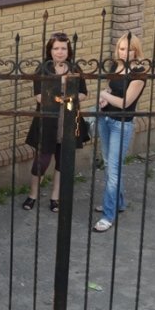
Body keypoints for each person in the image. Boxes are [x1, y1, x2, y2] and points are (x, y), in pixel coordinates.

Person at [22, 33, 89, 212]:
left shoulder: (74, 68)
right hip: (48, 122)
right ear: (50, 50)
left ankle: (55, 197)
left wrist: (71, 97)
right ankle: (33, 195)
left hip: (69, 120)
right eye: (56, 48)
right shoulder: (43, 69)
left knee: (62, 162)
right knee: (41, 162)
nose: (60, 52)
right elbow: (39, 97)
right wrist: (62, 95)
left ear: (69, 50)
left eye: (63, 48)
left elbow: (83, 93)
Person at [94, 34, 146, 232]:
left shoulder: (139, 74)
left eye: (129, 49)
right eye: (122, 49)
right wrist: (105, 98)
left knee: (114, 170)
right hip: (105, 119)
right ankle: (119, 202)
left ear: (136, 51)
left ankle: (108, 215)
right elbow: (111, 89)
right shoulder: (115, 66)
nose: (124, 53)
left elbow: (125, 103)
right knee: (109, 164)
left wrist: (103, 94)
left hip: (121, 125)